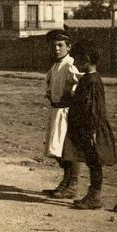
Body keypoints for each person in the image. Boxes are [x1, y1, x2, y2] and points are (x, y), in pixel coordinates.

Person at [61, 40, 117, 209]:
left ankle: (95, 196)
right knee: (91, 161)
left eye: (76, 60)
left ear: (85, 59)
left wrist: (93, 131)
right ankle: (93, 194)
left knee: (94, 162)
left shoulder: (93, 81)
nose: (75, 63)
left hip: (92, 129)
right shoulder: (87, 79)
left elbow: (95, 108)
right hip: (86, 127)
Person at [42, 29, 81, 199]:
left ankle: (72, 184)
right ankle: (65, 182)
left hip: (67, 112)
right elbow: (50, 84)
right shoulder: (55, 66)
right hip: (56, 111)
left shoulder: (70, 64)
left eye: (60, 45)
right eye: (53, 46)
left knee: (68, 149)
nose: (56, 49)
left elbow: (80, 83)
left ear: (69, 46)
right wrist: (49, 92)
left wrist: (72, 93)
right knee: (57, 150)